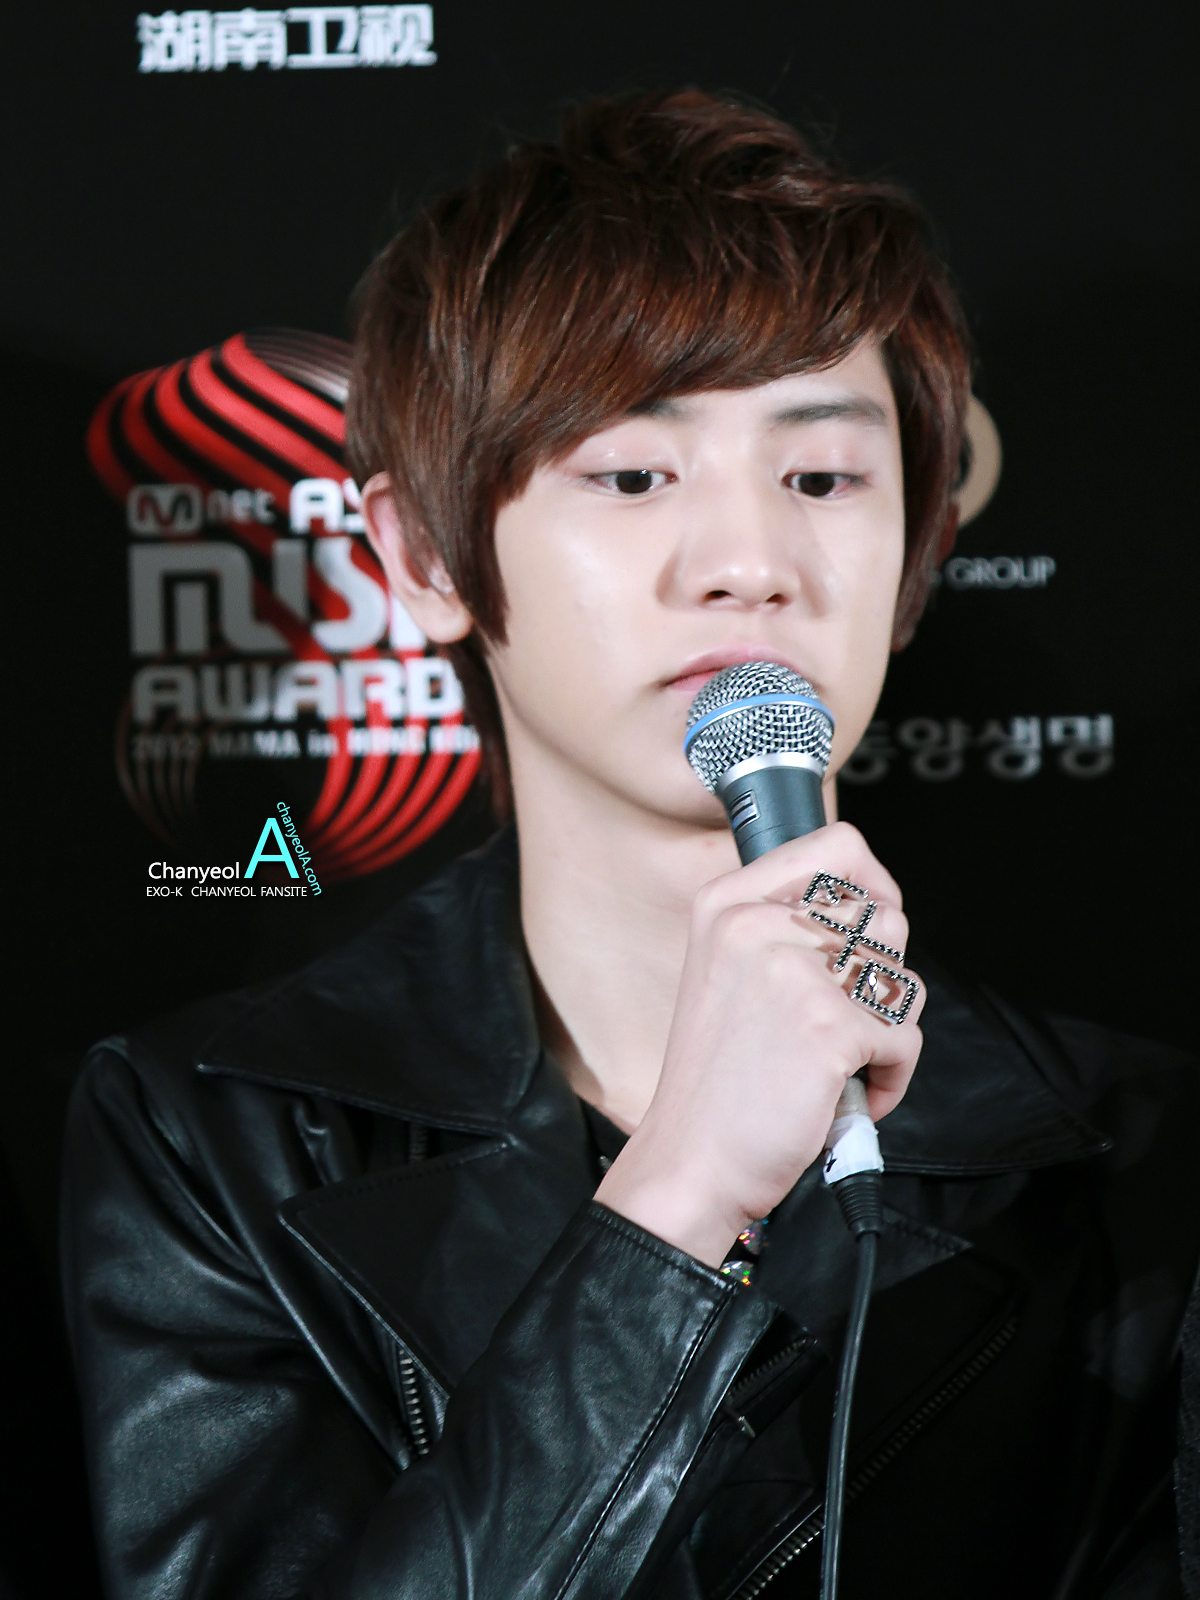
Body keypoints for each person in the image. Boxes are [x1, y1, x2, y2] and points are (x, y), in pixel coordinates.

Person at [62, 91, 1199, 1600]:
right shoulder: (215, 1140)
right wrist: (672, 1207)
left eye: (821, 479)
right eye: (632, 474)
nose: (749, 564)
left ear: (921, 551)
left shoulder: (1140, 1160)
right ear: (425, 554)